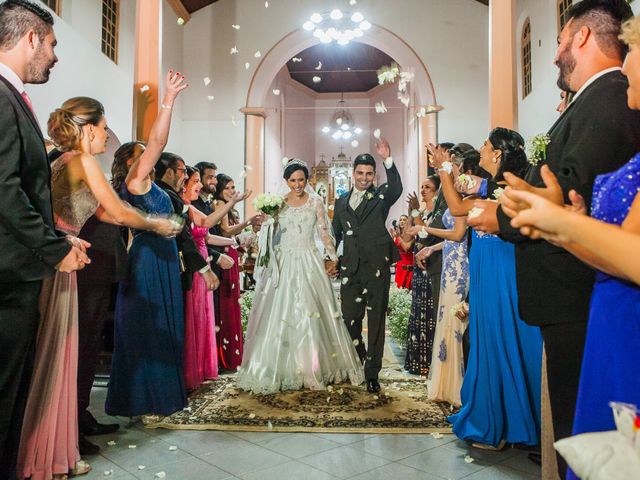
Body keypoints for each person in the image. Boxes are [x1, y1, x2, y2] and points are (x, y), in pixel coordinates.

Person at [467, 1, 640, 475]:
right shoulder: (595, 99)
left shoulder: (607, 98)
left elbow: (569, 189)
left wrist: (503, 218)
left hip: (583, 293)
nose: (553, 53)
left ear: (581, 37)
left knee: (585, 435)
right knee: (573, 428)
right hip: (577, 286)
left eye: (560, 39)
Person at [17, 95, 180, 479]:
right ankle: (53, 451)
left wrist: (135, 220)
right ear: (88, 129)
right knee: (62, 357)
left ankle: (56, 441)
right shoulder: (83, 160)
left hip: (54, 262)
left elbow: (104, 212)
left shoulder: (60, 160)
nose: (107, 137)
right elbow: (119, 211)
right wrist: (158, 224)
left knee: (55, 355)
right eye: (104, 129)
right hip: (67, 267)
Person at [0, 1, 88, 476]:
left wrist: (58, 239)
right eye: (52, 44)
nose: (54, 56)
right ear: (31, 38)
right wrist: (55, 249)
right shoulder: (0, 95)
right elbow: (5, 190)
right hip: (7, 274)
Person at [434, 129, 542, 450]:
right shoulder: (485, 184)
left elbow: (455, 207)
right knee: (487, 337)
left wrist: (443, 169)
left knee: (499, 335)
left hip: (501, 269)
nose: (480, 150)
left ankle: (501, 423)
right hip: (485, 269)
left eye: (485, 146)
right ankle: (503, 419)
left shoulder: (495, 186)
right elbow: (459, 206)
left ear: (497, 154)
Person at [237, 159, 364, 394]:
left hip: (308, 259)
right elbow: (271, 232)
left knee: (310, 312)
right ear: (286, 181)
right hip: (283, 260)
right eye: (293, 180)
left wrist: (332, 256)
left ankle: (312, 365)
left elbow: (324, 231)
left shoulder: (315, 201)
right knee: (279, 312)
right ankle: (277, 367)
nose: (297, 184)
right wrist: (263, 226)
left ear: (308, 180)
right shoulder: (278, 203)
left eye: (301, 180)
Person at [105, 71, 190, 421]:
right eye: (142, 155)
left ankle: (161, 396)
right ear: (130, 162)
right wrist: (168, 99)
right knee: (147, 327)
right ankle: (144, 401)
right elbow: (156, 142)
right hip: (148, 259)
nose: (150, 157)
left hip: (165, 258)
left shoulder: (152, 187)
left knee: (166, 326)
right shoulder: (135, 180)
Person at [331, 138, 403, 393]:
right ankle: (360, 359)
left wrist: (387, 158)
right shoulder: (340, 202)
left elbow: (396, 188)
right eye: (360, 173)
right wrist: (332, 258)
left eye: (369, 173)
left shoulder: (382, 196)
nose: (364, 177)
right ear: (352, 174)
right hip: (351, 268)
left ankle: (372, 373)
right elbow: (335, 233)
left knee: (376, 321)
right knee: (350, 318)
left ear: (374, 175)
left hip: (377, 265)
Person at [421, 146, 480, 406]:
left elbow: (458, 235)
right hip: (449, 264)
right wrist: (432, 246)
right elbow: (453, 238)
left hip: (461, 266)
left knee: (457, 321)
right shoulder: (455, 193)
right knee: (445, 317)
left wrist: (426, 228)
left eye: (455, 163)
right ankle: (445, 382)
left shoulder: (467, 196)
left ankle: (459, 385)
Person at [180, 166, 237, 391]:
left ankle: (202, 368)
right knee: (194, 318)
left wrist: (234, 242)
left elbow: (209, 232)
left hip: (204, 260)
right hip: (196, 266)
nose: (200, 185)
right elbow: (205, 227)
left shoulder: (191, 208)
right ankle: (191, 371)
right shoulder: (185, 208)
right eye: (195, 181)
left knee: (204, 317)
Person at [215, 174, 261, 370]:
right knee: (226, 303)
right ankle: (224, 355)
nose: (232, 191)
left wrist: (251, 236)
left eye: (234, 187)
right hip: (224, 254)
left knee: (233, 301)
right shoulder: (219, 203)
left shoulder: (228, 206)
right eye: (228, 188)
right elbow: (226, 232)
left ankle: (232, 352)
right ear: (219, 190)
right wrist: (249, 222)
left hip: (231, 253)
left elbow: (234, 236)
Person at [403, 176, 439, 376]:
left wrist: (416, 211)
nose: (424, 190)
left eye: (429, 187)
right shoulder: (421, 211)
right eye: (422, 186)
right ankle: (418, 362)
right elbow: (407, 239)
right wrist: (412, 212)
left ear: (437, 190)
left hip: (430, 264)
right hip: (418, 266)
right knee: (419, 311)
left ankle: (431, 362)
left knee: (430, 312)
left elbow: (427, 235)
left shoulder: (437, 212)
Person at [391, 215, 413, 289]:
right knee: (399, 286)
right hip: (399, 262)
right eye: (400, 220)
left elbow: (406, 248)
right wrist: (392, 237)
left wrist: (398, 237)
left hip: (408, 261)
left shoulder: (411, 234)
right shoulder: (397, 234)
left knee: (407, 286)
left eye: (404, 220)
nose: (402, 221)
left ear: (408, 222)